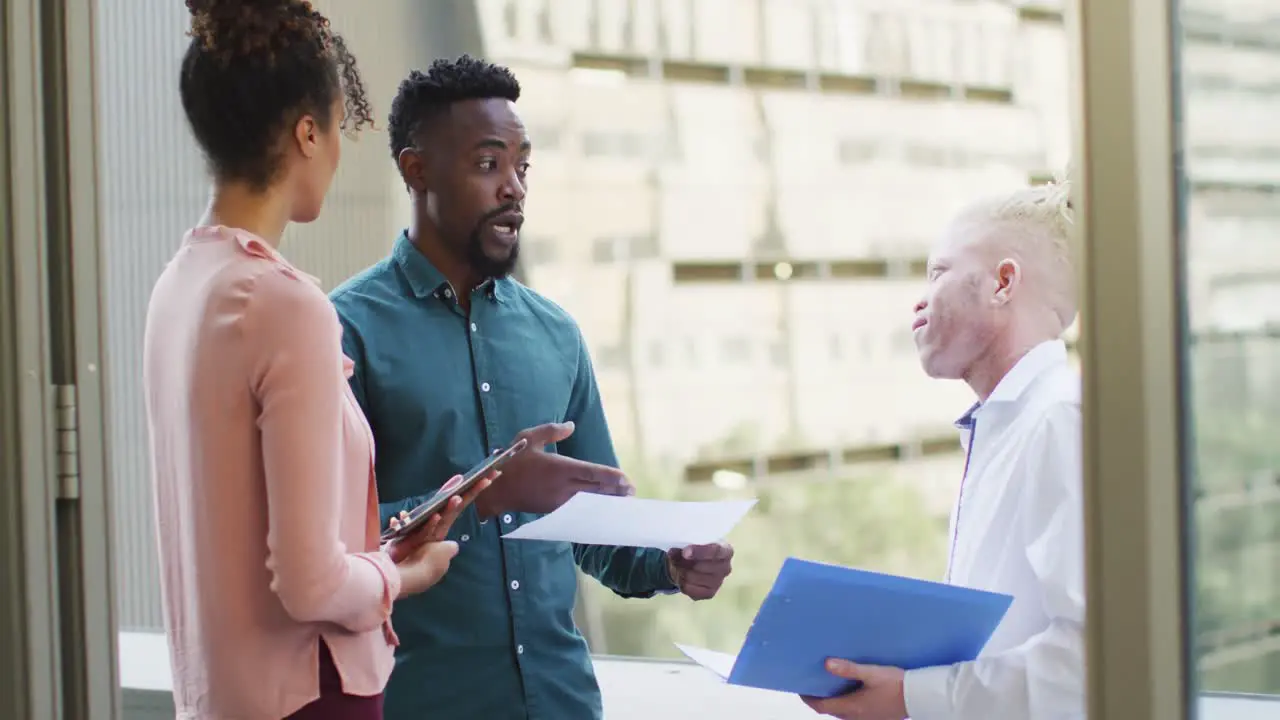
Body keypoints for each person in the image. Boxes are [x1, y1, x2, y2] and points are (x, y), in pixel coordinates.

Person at [329, 55, 736, 720]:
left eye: (523, 166)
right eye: (489, 164)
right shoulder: (346, 330)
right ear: (416, 170)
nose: (514, 187)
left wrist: (669, 562)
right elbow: (328, 547)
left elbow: (599, 529)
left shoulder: (556, 335)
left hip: (563, 704)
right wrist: (482, 494)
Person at [143, 3, 484, 718]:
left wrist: (373, 550)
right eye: (336, 129)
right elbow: (310, 586)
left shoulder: (179, 286)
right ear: (306, 132)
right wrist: (401, 575)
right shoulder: (284, 303)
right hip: (309, 698)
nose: (336, 151)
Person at [803, 181, 1085, 720]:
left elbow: (1095, 659)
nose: (919, 299)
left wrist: (913, 696)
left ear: (1004, 282)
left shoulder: (1059, 421)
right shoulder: (1006, 428)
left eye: (938, 273)